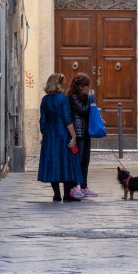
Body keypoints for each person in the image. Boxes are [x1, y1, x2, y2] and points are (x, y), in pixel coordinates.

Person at [37, 73, 85, 202]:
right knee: (66, 163)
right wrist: (74, 136)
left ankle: (56, 194)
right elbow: (67, 119)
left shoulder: (45, 100)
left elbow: (42, 121)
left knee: (53, 164)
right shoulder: (63, 99)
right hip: (63, 134)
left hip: (50, 136)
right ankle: (67, 195)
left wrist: (44, 135)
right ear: (59, 84)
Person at [67, 73, 98, 198]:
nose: (89, 87)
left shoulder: (85, 97)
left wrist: (91, 100)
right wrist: (90, 99)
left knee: (85, 161)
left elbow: (91, 111)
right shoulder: (72, 97)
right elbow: (83, 111)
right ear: (81, 87)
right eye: (87, 85)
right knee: (77, 161)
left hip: (86, 132)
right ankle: (75, 186)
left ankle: (84, 187)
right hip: (78, 133)